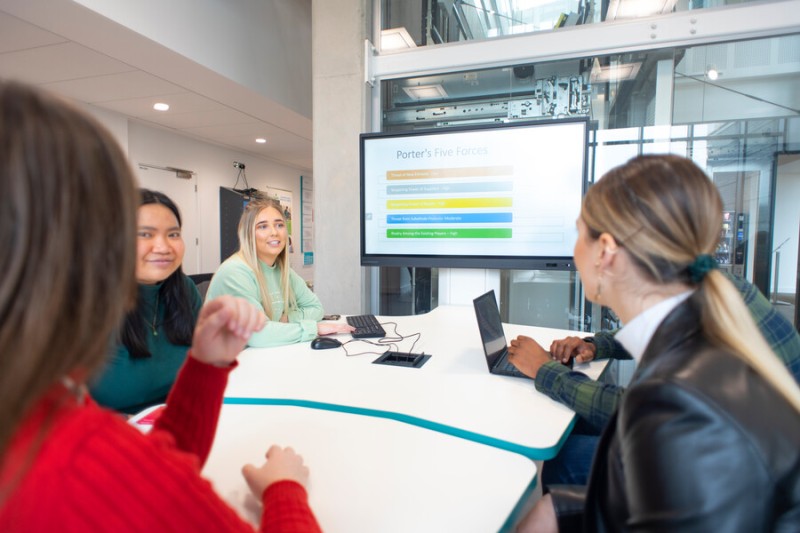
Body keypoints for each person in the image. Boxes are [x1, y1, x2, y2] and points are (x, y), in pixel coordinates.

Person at [0, 80, 321, 532]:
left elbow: (150, 463)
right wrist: (284, 491)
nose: (160, 248)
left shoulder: (37, 414)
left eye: (172, 233)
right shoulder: (73, 457)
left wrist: (205, 368)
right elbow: (127, 473)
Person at [511, 154, 800, 531]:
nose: (573, 250)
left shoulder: (677, 405)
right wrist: (558, 511)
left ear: (606, 252)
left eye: (579, 233)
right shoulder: (712, 308)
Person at [509, 271, 800, 487]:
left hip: (734, 469)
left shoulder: (687, 308)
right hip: (743, 436)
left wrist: (544, 369)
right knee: (574, 421)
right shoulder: (708, 283)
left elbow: (635, 411)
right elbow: (650, 332)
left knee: (561, 460)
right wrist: (597, 345)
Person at [90, 189, 204, 414]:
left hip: (174, 422)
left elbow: (201, 370)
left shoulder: (183, 290)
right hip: (106, 436)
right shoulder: (86, 303)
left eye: (173, 234)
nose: (163, 247)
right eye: (144, 234)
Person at [206, 196, 353, 347]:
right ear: (248, 234)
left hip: (257, 356)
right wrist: (313, 328)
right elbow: (258, 333)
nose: (274, 232)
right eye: (263, 226)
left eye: (279, 225)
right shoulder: (235, 272)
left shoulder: (283, 271)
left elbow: (316, 309)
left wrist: (287, 319)